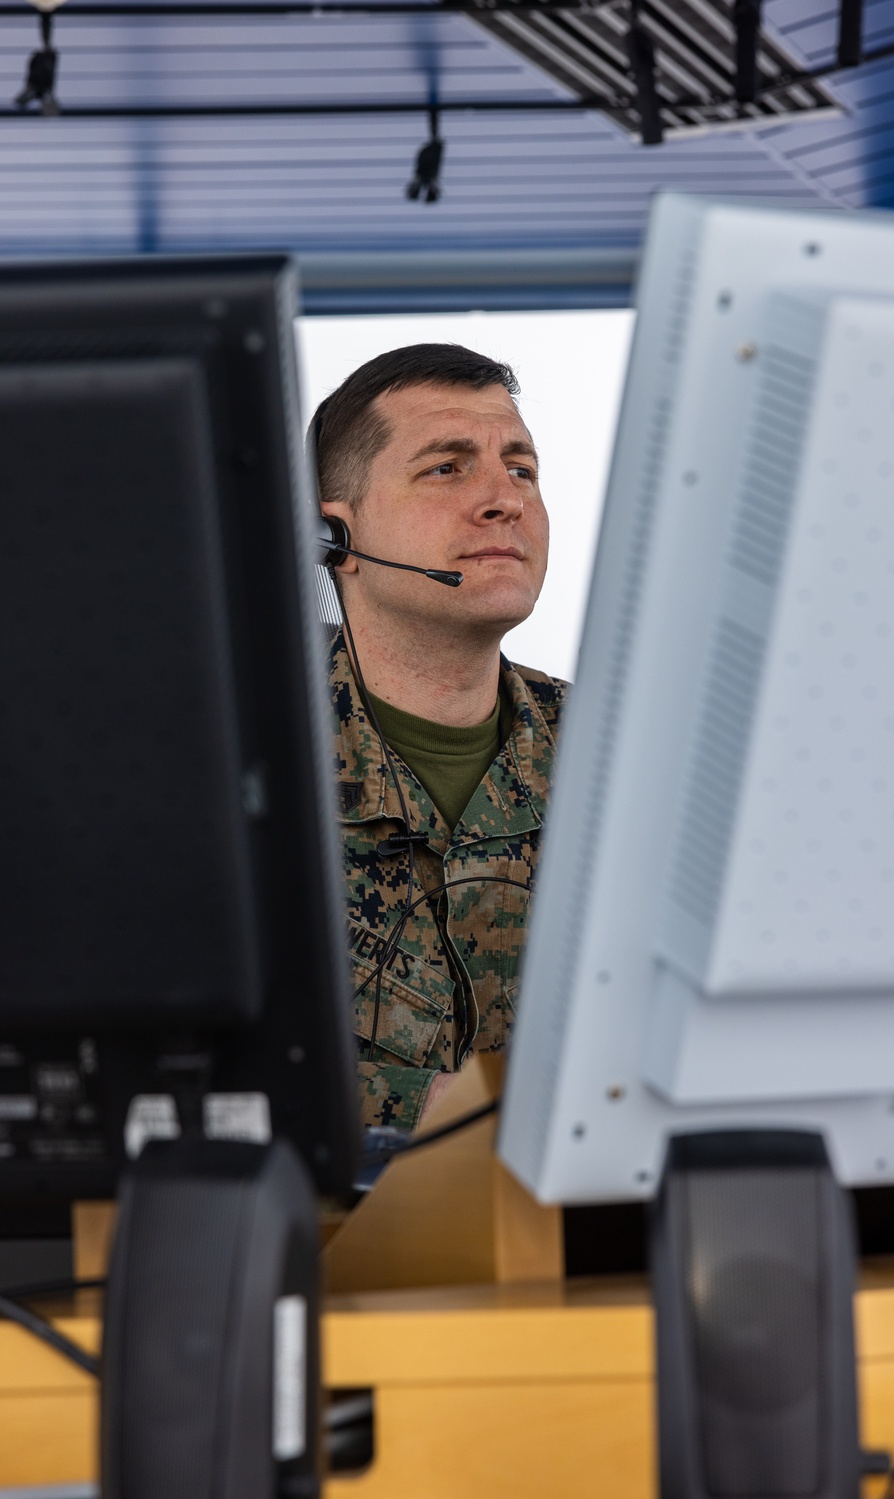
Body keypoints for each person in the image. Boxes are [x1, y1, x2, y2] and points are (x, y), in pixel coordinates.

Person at [312, 343, 566, 1130]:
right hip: (296, 1240)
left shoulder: (624, 759)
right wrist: (434, 1109)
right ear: (337, 540)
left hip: (580, 1234)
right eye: (448, 467)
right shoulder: (228, 754)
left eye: (521, 468)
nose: (505, 499)